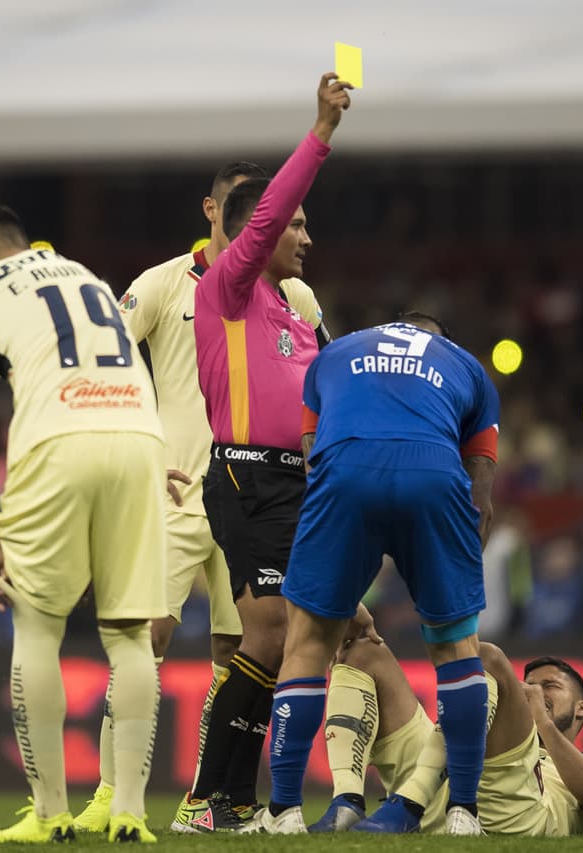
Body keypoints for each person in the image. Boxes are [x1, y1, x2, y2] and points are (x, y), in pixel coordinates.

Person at [0, 205, 168, 843]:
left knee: (38, 630)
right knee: (128, 635)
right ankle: (130, 815)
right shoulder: (82, 273)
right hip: (140, 438)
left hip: (54, 440)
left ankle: (50, 815)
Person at [248, 312, 500, 834]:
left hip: (346, 474)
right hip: (433, 475)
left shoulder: (334, 355)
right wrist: (459, 551)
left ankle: (285, 811)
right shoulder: (467, 367)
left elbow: (311, 455)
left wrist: (332, 556)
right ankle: (464, 812)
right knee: (456, 647)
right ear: (439, 338)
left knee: (309, 642)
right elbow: (481, 484)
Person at [72, 161, 266, 834]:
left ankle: (210, 799)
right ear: (210, 209)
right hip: (177, 493)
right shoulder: (159, 284)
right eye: (235, 202)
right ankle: (108, 794)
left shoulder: (286, 291)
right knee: (144, 636)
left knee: (241, 655)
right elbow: (104, 362)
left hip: (252, 500)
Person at [182, 72, 350, 830]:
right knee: (272, 632)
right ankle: (211, 800)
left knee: (279, 637)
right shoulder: (230, 287)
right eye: (297, 225)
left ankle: (225, 800)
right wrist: (320, 132)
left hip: (296, 484)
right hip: (247, 478)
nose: (307, 237)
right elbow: (271, 206)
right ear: (261, 230)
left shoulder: (292, 311)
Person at [309, 638, 583, 835]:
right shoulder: (505, 721)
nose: (532, 691)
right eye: (528, 684)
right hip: (447, 787)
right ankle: (347, 801)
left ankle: (411, 800)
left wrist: (543, 725)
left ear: (582, 708)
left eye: (549, 686)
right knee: (364, 652)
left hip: (514, 812)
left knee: (485, 656)